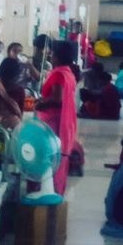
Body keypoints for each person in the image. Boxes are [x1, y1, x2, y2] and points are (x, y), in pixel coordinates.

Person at [34, 40, 79, 194]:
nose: (50, 55)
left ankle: (47, 192)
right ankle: (54, 191)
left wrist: (40, 104)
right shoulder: (68, 73)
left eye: (52, 53)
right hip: (60, 120)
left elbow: (57, 99)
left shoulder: (59, 74)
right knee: (55, 156)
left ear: (57, 57)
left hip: (52, 122)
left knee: (48, 157)